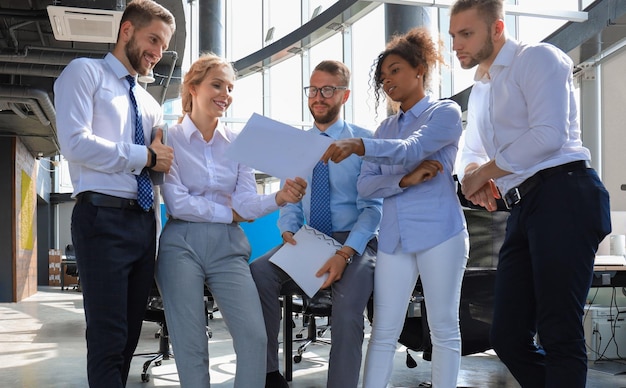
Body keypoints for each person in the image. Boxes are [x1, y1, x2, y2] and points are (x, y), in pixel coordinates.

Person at [448, 1, 612, 387]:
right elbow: (469, 154)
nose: (457, 44)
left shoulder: (537, 59)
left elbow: (547, 135)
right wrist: (474, 175)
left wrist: (486, 172)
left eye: (466, 33)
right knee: (505, 336)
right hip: (523, 208)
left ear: (497, 28)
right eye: (454, 35)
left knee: (558, 331)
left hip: (565, 193)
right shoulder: (482, 90)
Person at [322, 27, 469, 388]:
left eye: (395, 70)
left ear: (419, 68)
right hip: (393, 239)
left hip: (441, 234)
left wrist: (363, 147)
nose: (387, 81)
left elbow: (413, 149)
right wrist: (404, 181)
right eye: (382, 77)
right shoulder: (384, 127)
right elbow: (366, 185)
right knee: (383, 331)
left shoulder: (444, 112)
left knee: (444, 329)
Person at [155, 53, 307, 387]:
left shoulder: (240, 143)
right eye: (217, 85)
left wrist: (279, 198)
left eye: (230, 87)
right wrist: (229, 212)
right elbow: (178, 203)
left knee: (254, 337)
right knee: (190, 342)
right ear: (193, 87)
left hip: (229, 245)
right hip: (181, 243)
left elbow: (247, 202)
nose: (225, 94)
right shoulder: (169, 138)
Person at [54, 1, 175, 386]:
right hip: (101, 218)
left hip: (143, 224)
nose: (157, 51)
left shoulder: (151, 104)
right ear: (126, 31)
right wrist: (146, 155)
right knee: (107, 335)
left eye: (163, 44)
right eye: (152, 39)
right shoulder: (84, 73)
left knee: (128, 337)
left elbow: (157, 170)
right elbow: (74, 144)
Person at [249, 60, 383, 388]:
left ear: (344, 95)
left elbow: (372, 210)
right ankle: (268, 374)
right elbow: (291, 202)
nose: (318, 97)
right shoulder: (297, 144)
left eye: (327, 90)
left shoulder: (363, 143)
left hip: (356, 240)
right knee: (259, 272)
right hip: (310, 239)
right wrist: (288, 232)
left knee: (348, 309)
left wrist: (345, 252)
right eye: (313, 90)